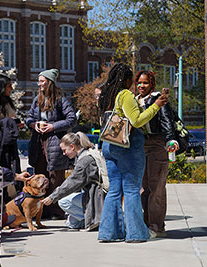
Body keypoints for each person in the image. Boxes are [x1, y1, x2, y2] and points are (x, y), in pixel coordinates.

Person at [97, 63, 168, 243]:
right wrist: (157, 105)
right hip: (127, 146)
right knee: (131, 190)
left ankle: (109, 232)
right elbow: (136, 121)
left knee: (114, 190)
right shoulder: (124, 94)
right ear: (127, 79)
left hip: (109, 144)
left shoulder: (106, 94)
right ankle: (136, 233)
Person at [26, 68, 77, 219]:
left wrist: (53, 126)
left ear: (49, 83)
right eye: (39, 81)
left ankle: (56, 210)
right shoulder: (37, 100)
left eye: (42, 81)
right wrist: (34, 124)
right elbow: (28, 118)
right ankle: (41, 211)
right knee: (40, 174)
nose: (39, 84)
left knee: (55, 177)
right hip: (38, 142)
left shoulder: (61, 100)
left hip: (55, 142)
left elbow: (72, 119)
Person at [135, 70, 179, 237]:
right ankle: (146, 224)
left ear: (151, 84)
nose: (141, 85)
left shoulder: (158, 99)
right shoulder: (135, 100)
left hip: (157, 144)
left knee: (157, 187)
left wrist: (170, 141)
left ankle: (157, 227)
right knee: (144, 188)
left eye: (145, 83)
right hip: (140, 146)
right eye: (139, 82)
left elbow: (166, 121)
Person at [41, 132, 105, 231]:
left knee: (63, 201)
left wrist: (52, 197)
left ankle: (95, 220)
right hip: (96, 194)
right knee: (71, 224)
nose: (64, 153)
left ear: (72, 146)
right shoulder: (87, 153)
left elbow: (71, 183)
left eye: (64, 150)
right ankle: (87, 219)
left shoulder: (84, 161)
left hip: (96, 197)